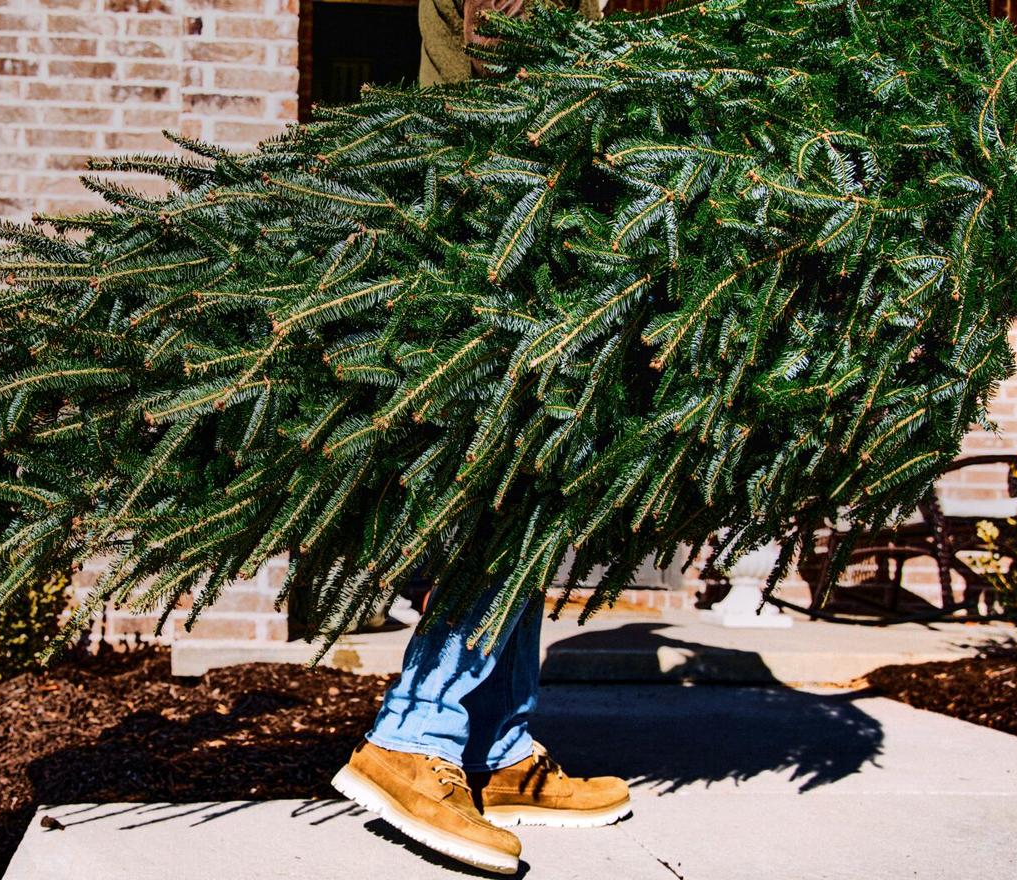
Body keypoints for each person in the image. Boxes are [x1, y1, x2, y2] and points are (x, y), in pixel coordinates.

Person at [330, 3, 630, 875]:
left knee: (527, 490)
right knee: (502, 485)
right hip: (493, 195)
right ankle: (411, 737)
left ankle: (499, 751)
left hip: (514, 188)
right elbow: (513, 53)